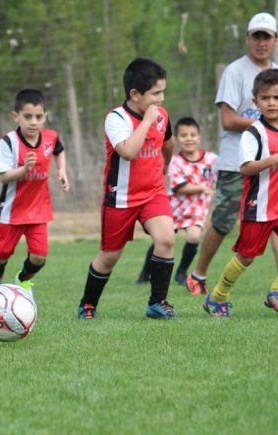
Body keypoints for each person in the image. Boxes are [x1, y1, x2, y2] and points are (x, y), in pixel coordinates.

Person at [186, 12, 278, 296]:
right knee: (223, 221)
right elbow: (228, 120)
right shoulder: (235, 71)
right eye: (256, 36)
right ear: (247, 39)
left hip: (275, 163)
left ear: (275, 40)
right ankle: (198, 276)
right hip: (238, 161)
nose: (261, 42)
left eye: (266, 37)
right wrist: (264, 127)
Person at [203, 69, 278, 317]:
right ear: (256, 102)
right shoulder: (253, 133)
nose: (271, 103)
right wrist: (273, 159)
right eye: (265, 98)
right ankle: (217, 296)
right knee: (246, 257)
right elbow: (245, 169)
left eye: (277, 97)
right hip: (259, 207)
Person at [77, 57, 176, 320]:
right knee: (109, 257)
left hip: (153, 192)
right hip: (120, 198)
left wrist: (166, 164)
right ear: (134, 95)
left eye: (163, 92)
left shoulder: (162, 115)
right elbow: (129, 152)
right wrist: (147, 122)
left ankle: (157, 303)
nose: (161, 99)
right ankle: (88, 304)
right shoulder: (116, 119)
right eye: (155, 94)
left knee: (166, 239)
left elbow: (168, 141)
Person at [0, 89, 69, 297]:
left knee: (39, 256)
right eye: (28, 116)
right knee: (0, 256)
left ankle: (22, 280)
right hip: (11, 211)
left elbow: (59, 151)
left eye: (39, 117)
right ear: (16, 117)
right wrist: (24, 170)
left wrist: (62, 171)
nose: (34, 122)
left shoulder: (50, 137)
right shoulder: (8, 142)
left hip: (38, 209)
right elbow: (4, 176)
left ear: (45, 117)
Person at [135, 117, 217, 292]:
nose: (189, 139)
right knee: (162, 240)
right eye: (184, 135)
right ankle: (145, 272)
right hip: (173, 207)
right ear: (177, 139)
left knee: (194, 237)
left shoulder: (212, 159)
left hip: (197, 208)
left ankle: (181, 272)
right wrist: (202, 187)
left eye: (193, 135)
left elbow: (225, 173)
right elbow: (179, 187)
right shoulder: (174, 161)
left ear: (199, 137)